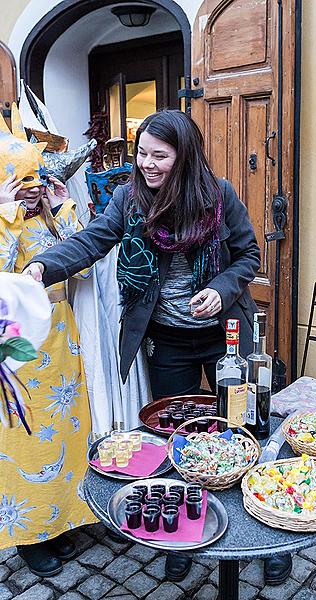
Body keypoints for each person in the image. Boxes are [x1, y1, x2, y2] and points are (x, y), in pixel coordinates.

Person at [24, 109, 292, 585]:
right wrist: (44, 267)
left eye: (159, 156)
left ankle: (272, 532)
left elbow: (249, 254)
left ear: (184, 156)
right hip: (167, 341)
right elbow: (92, 241)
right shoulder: (129, 199)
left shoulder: (218, 195)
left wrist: (224, 288)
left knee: (247, 427)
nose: (146, 164)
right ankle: (187, 526)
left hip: (226, 334)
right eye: (142, 153)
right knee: (178, 439)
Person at [0, 104, 97, 577]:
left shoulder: (47, 216)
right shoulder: (7, 219)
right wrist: (7, 211)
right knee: (28, 439)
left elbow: (85, 255)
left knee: (66, 432)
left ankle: (65, 516)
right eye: (26, 180)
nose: (33, 188)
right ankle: (30, 535)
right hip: (18, 353)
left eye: (38, 179)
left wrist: (59, 206)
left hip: (62, 345)